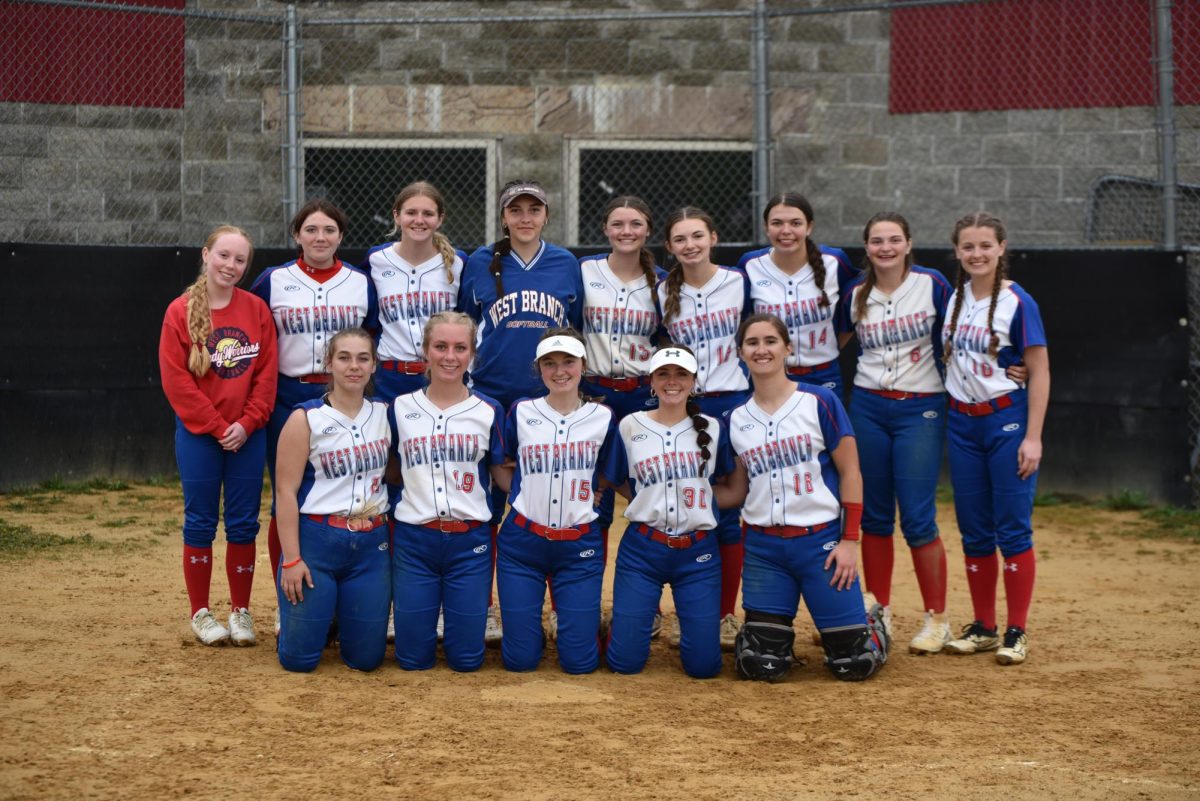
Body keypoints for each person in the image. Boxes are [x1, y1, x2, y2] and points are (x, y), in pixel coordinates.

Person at [718, 313, 890, 683]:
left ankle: (872, 620)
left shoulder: (819, 401)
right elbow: (736, 491)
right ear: (740, 353)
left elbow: (851, 472)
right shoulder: (734, 419)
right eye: (752, 343)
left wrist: (849, 540)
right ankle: (774, 634)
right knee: (761, 664)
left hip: (821, 544)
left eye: (770, 341)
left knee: (853, 662)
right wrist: (680, 494)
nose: (761, 349)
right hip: (765, 549)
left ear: (787, 348)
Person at [459, 179, 585, 643]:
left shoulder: (565, 264)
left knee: (551, 499)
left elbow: (578, 332)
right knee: (487, 502)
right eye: (517, 209)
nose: (525, 217)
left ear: (546, 215)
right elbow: (465, 327)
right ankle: (488, 606)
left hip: (547, 401)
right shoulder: (478, 262)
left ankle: (558, 604)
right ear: (504, 215)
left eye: (534, 209)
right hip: (492, 396)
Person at [250, 200, 375, 629]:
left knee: (343, 494)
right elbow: (254, 335)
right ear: (296, 235)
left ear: (341, 236)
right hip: (290, 395)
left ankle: (343, 602)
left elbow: (369, 337)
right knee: (288, 495)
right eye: (311, 229)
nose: (320, 237)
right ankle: (291, 599)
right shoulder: (273, 280)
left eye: (329, 230)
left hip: (347, 395)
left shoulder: (360, 281)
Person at [836, 212, 954, 654]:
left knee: (919, 518)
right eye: (877, 241)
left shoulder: (932, 284)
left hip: (920, 406)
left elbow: (966, 330)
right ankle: (879, 607)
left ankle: (937, 618)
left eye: (894, 240)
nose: (885, 247)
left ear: (908, 244)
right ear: (866, 248)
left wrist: (1009, 364)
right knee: (875, 515)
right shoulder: (855, 293)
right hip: (868, 405)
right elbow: (834, 343)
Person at [159, 225, 277, 646]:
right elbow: (177, 384)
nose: (231, 265)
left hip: (247, 435)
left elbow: (266, 376)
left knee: (244, 524)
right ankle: (201, 613)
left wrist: (247, 423)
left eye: (240, 259)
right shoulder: (179, 311)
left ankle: (242, 612)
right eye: (223, 255)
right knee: (201, 522)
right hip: (200, 435)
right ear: (206, 254)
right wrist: (216, 425)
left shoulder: (256, 310)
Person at [940, 212, 1049, 666]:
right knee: (975, 530)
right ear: (958, 253)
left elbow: (1039, 370)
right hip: (962, 423)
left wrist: (1034, 437)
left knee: (1012, 527)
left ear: (1002, 248)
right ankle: (984, 627)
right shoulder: (954, 298)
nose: (977, 254)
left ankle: (1016, 631)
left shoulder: (1017, 301)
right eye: (968, 247)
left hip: (1005, 421)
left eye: (986, 245)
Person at [494, 329, 622, 674]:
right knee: (519, 661)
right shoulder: (521, 411)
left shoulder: (603, 417)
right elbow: (502, 462)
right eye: (549, 363)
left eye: (568, 361)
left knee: (579, 663)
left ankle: (584, 628)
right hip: (523, 543)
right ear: (539, 369)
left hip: (578, 544)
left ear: (583, 365)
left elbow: (613, 470)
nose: (560, 370)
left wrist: (594, 488)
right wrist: (519, 492)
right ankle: (532, 630)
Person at [387, 311, 507, 672]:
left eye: (460, 347)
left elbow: (503, 475)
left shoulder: (489, 410)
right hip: (414, 541)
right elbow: (390, 469)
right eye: (440, 346)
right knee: (412, 659)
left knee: (467, 660)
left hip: (469, 543)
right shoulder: (400, 408)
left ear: (472, 353)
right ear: (425, 350)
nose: (449, 356)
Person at [605, 345, 733, 679]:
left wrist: (700, 502)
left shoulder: (714, 428)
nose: (672, 381)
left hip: (698, 552)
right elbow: (614, 478)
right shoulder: (630, 426)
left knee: (704, 667)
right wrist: (646, 498)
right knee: (625, 664)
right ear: (651, 381)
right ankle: (613, 627)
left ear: (694, 381)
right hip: (643, 548)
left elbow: (730, 484)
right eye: (663, 373)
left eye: (681, 374)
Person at [657, 206, 750, 650]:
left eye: (697, 235)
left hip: (731, 402)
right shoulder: (662, 291)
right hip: (684, 405)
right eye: (680, 239)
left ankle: (725, 616)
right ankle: (672, 614)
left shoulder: (739, 281)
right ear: (670, 248)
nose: (690, 245)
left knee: (727, 514)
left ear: (713, 237)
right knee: (674, 506)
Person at [274, 328, 392, 672]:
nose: (353, 366)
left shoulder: (386, 414)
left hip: (371, 544)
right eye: (344, 357)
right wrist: (292, 559)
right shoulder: (305, 418)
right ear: (329, 363)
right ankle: (317, 614)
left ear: (374, 365)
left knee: (367, 661)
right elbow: (284, 492)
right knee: (299, 661)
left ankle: (338, 614)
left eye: (362, 358)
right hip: (318, 541)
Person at [575, 195, 666, 639]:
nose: (626, 231)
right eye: (617, 223)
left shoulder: (663, 283)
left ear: (648, 229)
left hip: (642, 397)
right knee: (593, 504)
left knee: (648, 498)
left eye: (635, 223)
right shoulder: (585, 272)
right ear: (605, 229)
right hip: (593, 394)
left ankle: (643, 607)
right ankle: (582, 605)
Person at [739, 193, 858, 396]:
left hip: (823, 375)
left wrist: (829, 344)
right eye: (777, 223)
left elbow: (854, 308)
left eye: (796, 223)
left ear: (809, 227)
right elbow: (742, 323)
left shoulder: (834, 261)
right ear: (766, 227)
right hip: (769, 375)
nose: (786, 231)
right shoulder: (750, 265)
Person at [363, 182, 467, 403]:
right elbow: (369, 321)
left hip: (441, 375)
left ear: (440, 219)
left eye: (428, 214)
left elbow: (468, 322)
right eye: (411, 212)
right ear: (397, 216)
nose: (419, 220)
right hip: (389, 378)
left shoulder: (458, 263)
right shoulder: (376, 260)